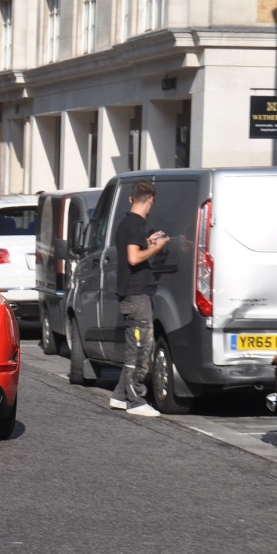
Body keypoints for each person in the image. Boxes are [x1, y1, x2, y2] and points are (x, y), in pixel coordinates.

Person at [110, 179, 169, 417]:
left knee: (135, 345)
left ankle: (120, 396)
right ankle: (136, 399)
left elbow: (131, 251)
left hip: (130, 294)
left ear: (131, 198)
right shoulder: (135, 224)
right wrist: (158, 247)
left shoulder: (126, 224)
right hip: (136, 295)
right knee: (141, 347)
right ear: (151, 200)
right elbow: (134, 259)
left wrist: (147, 242)